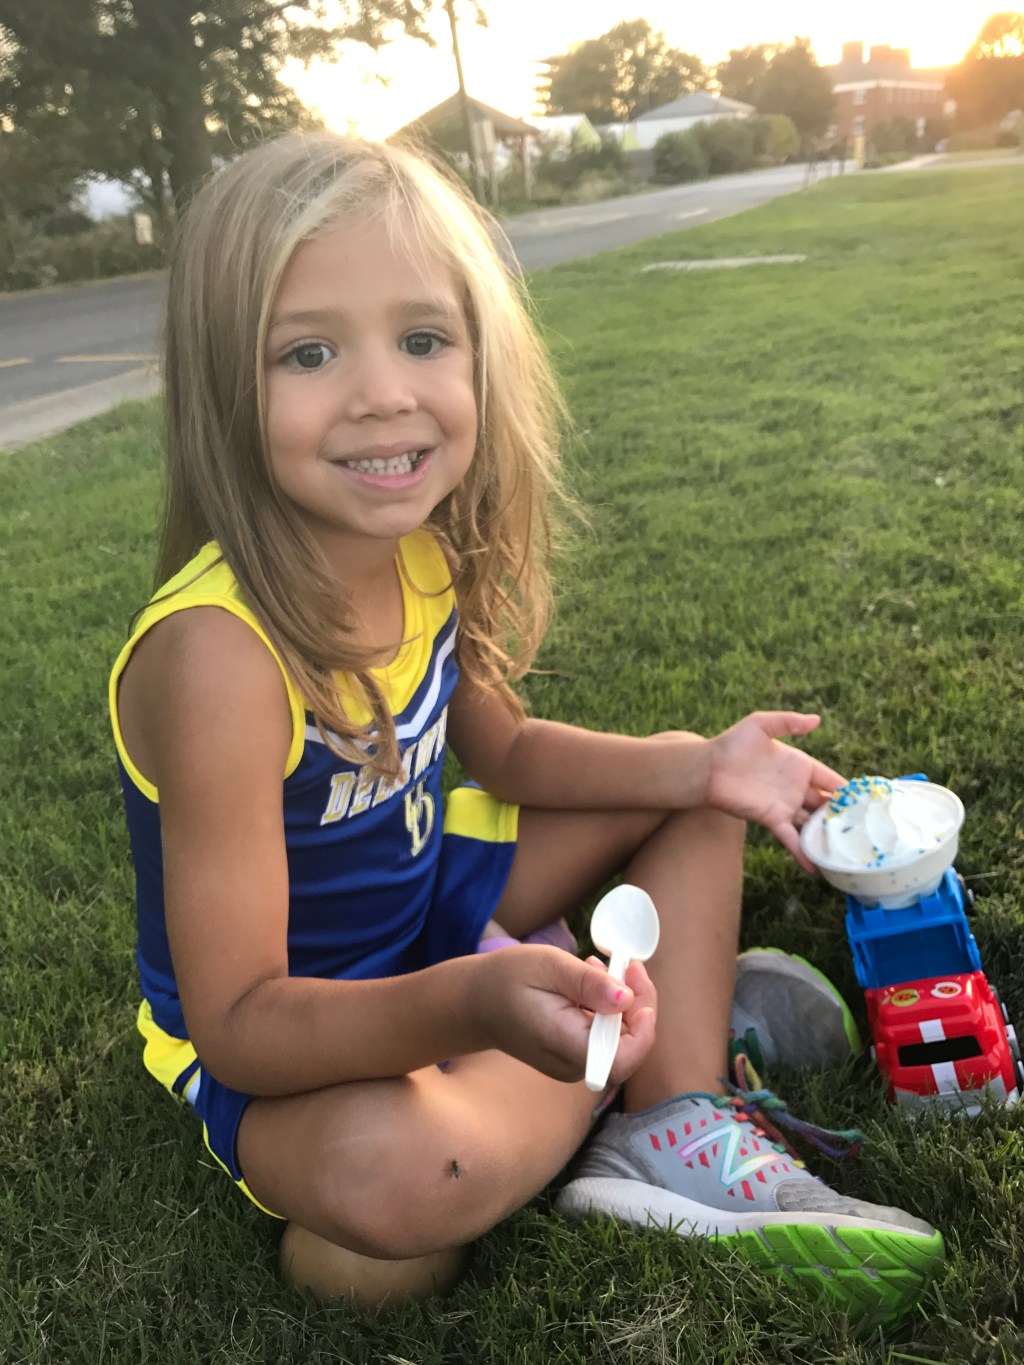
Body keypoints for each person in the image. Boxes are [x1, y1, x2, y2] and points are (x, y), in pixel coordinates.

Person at [108, 132, 943, 1320]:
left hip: (434, 903)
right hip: (294, 1029)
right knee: (398, 1192)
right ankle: (645, 1036)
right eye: (307, 351)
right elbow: (244, 1025)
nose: (384, 391)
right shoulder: (216, 657)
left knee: (693, 801)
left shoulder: (420, 552)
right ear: (220, 389)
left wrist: (707, 762)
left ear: (477, 356)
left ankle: (670, 1103)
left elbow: (504, 752)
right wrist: (474, 1004)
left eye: (423, 339)